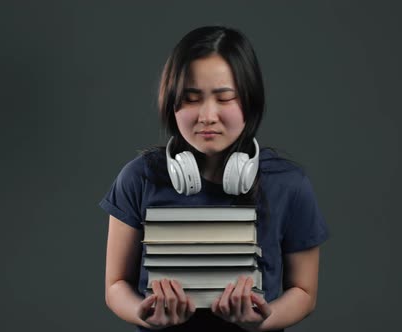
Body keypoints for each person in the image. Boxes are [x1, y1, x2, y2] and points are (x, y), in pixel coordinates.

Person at [99, 26, 329, 332]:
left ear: (250, 101)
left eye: (224, 98)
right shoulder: (138, 178)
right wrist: (145, 315)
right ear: (172, 103)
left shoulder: (290, 184)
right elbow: (116, 285)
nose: (207, 115)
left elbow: (304, 293)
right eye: (191, 99)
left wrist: (261, 321)